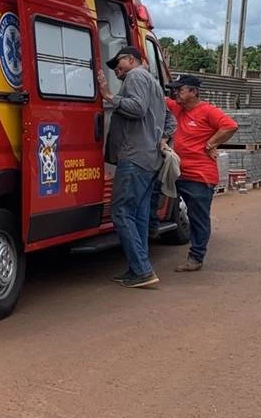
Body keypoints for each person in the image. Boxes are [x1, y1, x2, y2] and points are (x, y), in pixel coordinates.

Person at [98, 46, 176, 289]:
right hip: (148, 157)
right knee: (139, 214)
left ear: (131, 60)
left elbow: (137, 108)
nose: (117, 70)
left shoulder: (136, 76)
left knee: (121, 212)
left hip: (134, 157)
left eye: (118, 64)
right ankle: (138, 268)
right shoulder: (153, 82)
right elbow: (170, 119)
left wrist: (109, 96)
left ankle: (142, 270)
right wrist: (162, 138)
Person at [164, 75, 238, 272]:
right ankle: (154, 227)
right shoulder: (177, 108)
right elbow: (157, 98)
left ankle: (196, 257)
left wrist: (211, 143)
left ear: (194, 92)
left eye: (180, 89)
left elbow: (230, 126)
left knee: (198, 217)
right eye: (175, 90)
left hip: (199, 176)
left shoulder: (207, 111)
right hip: (178, 172)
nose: (176, 93)